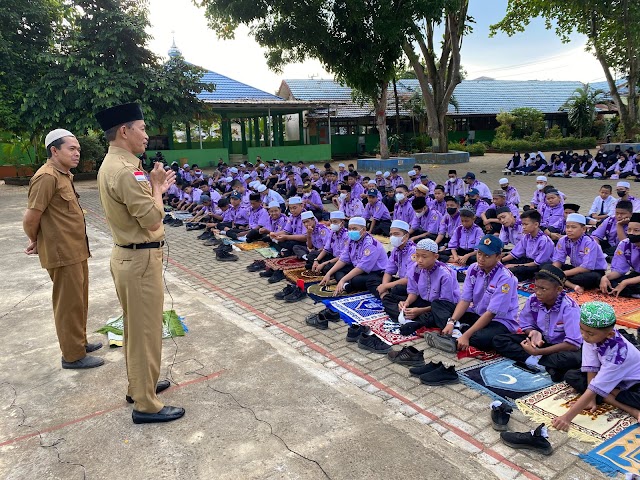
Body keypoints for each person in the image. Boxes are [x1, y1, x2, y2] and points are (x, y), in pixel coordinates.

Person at [96, 102, 183, 424]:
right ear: (124, 131)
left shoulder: (112, 164)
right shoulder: (127, 171)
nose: (147, 135)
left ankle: (139, 386)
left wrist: (153, 188)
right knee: (146, 331)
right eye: (142, 128)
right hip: (140, 257)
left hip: (127, 256)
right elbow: (151, 218)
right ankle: (146, 403)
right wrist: (158, 189)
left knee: (136, 329)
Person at [23, 129, 102, 370]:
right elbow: (31, 217)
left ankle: (79, 342)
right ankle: (72, 355)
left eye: (78, 149)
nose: (77, 153)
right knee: (68, 305)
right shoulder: (46, 177)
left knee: (79, 301)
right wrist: (37, 240)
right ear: (54, 151)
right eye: (72, 148)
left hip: (76, 250)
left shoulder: (64, 174)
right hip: (62, 253)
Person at [554, 302, 640, 431]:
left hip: (634, 384)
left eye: (589, 333)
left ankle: (633, 410)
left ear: (609, 335)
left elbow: (595, 386)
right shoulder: (591, 335)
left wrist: (567, 417)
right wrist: (591, 399)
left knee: (599, 390)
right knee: (572, 375)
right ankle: (608, 391)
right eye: (581, 329)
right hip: (611, 378)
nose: (583, 335)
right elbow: (591, 366)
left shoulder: (617, 356)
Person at [493, 265, 582, 381]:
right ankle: (541, 363)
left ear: (559, 290)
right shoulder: (533, 300)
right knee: (499, 340)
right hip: (541, 342)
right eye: (536, 287)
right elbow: (525, 323)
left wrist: (539, 352)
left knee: (571, 359)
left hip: (561, 348)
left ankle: (537, 359)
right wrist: (533, 332)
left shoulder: (569, 308)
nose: (538, 292)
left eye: (543, 289)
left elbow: (573, 344)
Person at [441, 235, 519, 352]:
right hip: (477, 314)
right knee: (439, 305)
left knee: (481, 339)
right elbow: (465, 300)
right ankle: (456, 330)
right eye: (479, 253)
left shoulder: (505, 278)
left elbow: (492, 313)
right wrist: (451, 321)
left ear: (498, 257)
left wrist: (466, 336)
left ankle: (459, 334)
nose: (481, 258)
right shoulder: (473, 268)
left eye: (487, 256)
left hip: (498, 321)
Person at [389, 239, 460, 334]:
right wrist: (406, 303)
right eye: (417, 256)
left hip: (440, 306)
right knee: (390, 296)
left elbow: (444, 303)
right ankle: (414, 318)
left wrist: (420, 311)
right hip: (424, 301)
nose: (419, 260)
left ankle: (419, 321)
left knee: (437, 311)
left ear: (435, 257)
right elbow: (413, 291)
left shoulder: (445, 274)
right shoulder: (415, 269)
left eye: (424, 257)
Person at [319, 217, 387, 296]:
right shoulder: (351, 240)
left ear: (364, 230)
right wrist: (329, 273)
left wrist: (343, 279)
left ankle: (347, 284)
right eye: (350, 229)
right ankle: (347, 286)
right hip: (357, 267)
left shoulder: (371, 244)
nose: (351, 231)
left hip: (375, 272)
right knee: (337, 270)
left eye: (354, 229)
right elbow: (343, 260)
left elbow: (362, 268)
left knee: (356, 280)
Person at [552, 213, 607, 294]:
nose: (569, 230)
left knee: (584, 279)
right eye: (567, 227)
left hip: (593, 271)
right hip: (576, 268)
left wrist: (561, 274)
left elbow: (586, 267)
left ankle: (562, 281)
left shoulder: (589, 242)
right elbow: (558, 260)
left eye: (573, 227)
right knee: (546, 266)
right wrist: (553, 271)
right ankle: (572, 285)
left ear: (584, 229)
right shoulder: (563, 240)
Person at [501, 209, 554, 281]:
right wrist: (500, 260)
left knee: (514, 270)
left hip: (537, 265)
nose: (523, 227)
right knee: (504, 263)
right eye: (522, 224)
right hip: (527, 261)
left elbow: (537, 263)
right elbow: (515, 254)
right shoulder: (526, 236)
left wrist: (515, 265)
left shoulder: (544, 240)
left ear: (536, 225)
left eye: (526, 224)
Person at [600, 212, 640, 297]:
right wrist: (605, 277)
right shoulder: (625, 244)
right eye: (629, 230)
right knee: (609, 283)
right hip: (637, 275)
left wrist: (625, 282)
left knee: (624, 284)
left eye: (636, 230)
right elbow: (619, 270)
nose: (631, 233)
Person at [377, 220, 416, 305]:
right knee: (374, 278)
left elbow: (409, 279)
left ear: (406, 236)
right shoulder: (396, 249)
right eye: (391, 234)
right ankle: (386, 295)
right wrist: (384, 286)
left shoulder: (413, 251)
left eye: (396, 234)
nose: (392, 237)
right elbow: (388, 271)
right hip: (401, 281)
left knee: (397, 289)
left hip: (412, 284)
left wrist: (385, 286)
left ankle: (388, 298)